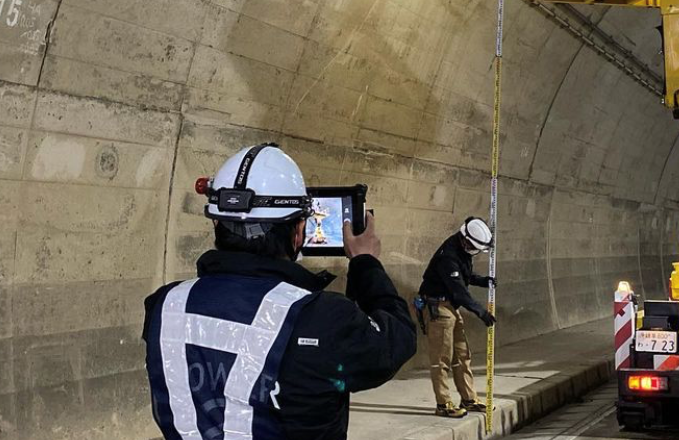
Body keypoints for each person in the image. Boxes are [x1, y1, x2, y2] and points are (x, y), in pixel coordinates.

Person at [142, 143, 416, 440]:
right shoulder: (324, 318)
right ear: (298, 232)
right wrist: (366, 263)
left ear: (217, 222)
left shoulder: (164, 305)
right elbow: (398, 338)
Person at [416, 217, 496, 418]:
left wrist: (483, 281)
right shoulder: (448, 257)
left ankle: (469, 399)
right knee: (441, 359)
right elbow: (459, 291)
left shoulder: (461, 250)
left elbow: (464, 275)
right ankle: (443, 404)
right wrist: (481, 312)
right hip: (438, 307)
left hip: (450, 306)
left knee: (462, 355)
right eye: (475, 248)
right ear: (466, 240)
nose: (475, 251)